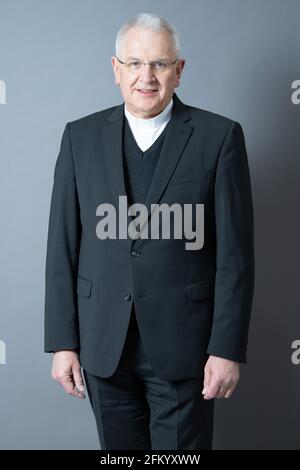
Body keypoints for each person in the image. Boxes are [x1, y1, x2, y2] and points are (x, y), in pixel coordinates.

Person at [44, 12, 255, 450]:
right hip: (104, 347)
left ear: (179, 71)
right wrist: (63, 343)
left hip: (186, 349)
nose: (147, 76)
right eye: (135, 63)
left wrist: (226, 347)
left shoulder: (219, 138)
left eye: (159, 64)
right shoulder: (78, 138)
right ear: (116, 70)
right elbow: (62, 247)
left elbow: (235, 258)